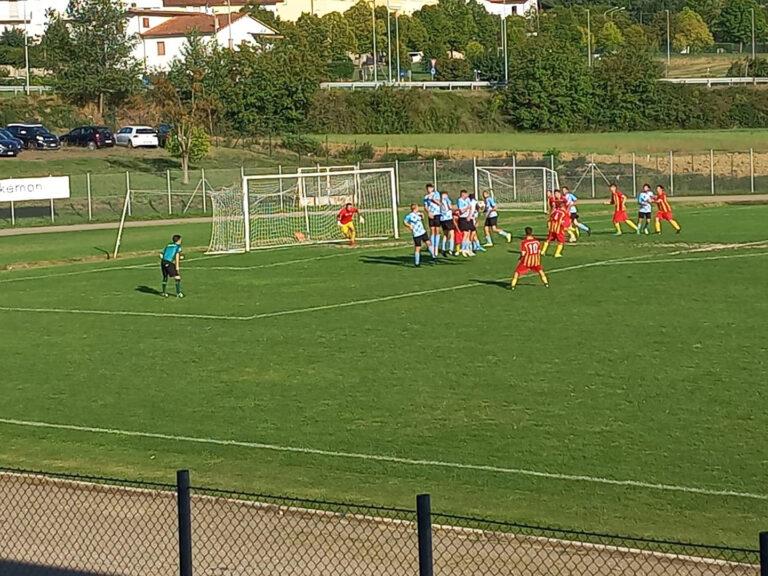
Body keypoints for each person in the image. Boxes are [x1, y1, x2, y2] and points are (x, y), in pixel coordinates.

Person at [423, 183, 442, 257]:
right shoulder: (426, 197)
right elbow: (425, 206)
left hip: (437, 213)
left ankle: (436, 248)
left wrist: (433, 199)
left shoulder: (436, 194)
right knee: (432, 230)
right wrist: (428, 213)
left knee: (437, 230)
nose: (429, 190)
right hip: (431, 214)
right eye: (428, 188)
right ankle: (432, 247)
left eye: (430, 188)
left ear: (433, 188)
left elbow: (439, 203)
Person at [456, 189, 475, 257]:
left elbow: (470, 208)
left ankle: (467, 249)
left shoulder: (467, 199)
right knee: (465, 234)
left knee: (468, 233)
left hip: (468, 218)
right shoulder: (459, 200)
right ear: (462, 194)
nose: (467, 195)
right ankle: (463, 249)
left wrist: (469, 216)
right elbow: (461, 211)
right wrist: (467, 208)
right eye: (465, 194)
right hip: (463, 218)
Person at [438, 191, 455, 257]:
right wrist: (455, 210)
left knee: (445, 234)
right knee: (452, 234)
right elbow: (450, 207)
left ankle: (443, 249)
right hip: (448, 218)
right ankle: (451, 249)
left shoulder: (439, 201)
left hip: (442, 219)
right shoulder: (447, 200)